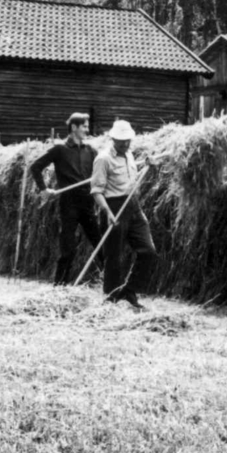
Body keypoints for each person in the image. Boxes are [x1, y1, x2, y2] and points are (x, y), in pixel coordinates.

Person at [29, 112, 102, 286]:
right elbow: (36, 167)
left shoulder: (90, 150)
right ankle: (59, 288)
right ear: (74, 127)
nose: (87, 129)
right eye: (84, 126)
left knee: (100, 243)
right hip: (69, 203)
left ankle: (111, 284)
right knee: (68, 249)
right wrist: (44, 189)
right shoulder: (59, 150)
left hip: (88, 202)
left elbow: (104, 168)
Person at [90, 119, 156, 310]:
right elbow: (96, 191)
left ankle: (130, 291)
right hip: (113, 207)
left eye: (128, 140)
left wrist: (148, 166)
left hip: (133, 206)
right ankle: (111, 298)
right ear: (112, 139)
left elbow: (132, 181)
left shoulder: (129, 154)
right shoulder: (103, 159)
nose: (125, 144)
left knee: (148, 251)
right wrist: (108, 212)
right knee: (114, 257)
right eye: (121, 141)